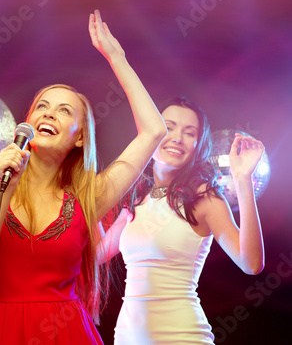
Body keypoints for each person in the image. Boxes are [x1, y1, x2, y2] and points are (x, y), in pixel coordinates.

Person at [0, 10, 167, 344]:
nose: (49, 113)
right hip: (1, 331)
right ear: (28, 121)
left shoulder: (89, 195)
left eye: (64, 110)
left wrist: (118, 59)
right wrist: (7, 187)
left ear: (80, 138)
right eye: (42, 106)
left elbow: (154, 131)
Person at [98, 97, 265, 344]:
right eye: (169, 127)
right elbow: (94, 255)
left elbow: (251, 263)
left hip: (182, 337)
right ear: (152, 132)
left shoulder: (205, 199)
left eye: (190, 133)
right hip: (126, 337)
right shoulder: (135, 200)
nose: (177, 137)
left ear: (198, 145)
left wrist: (242, 180)